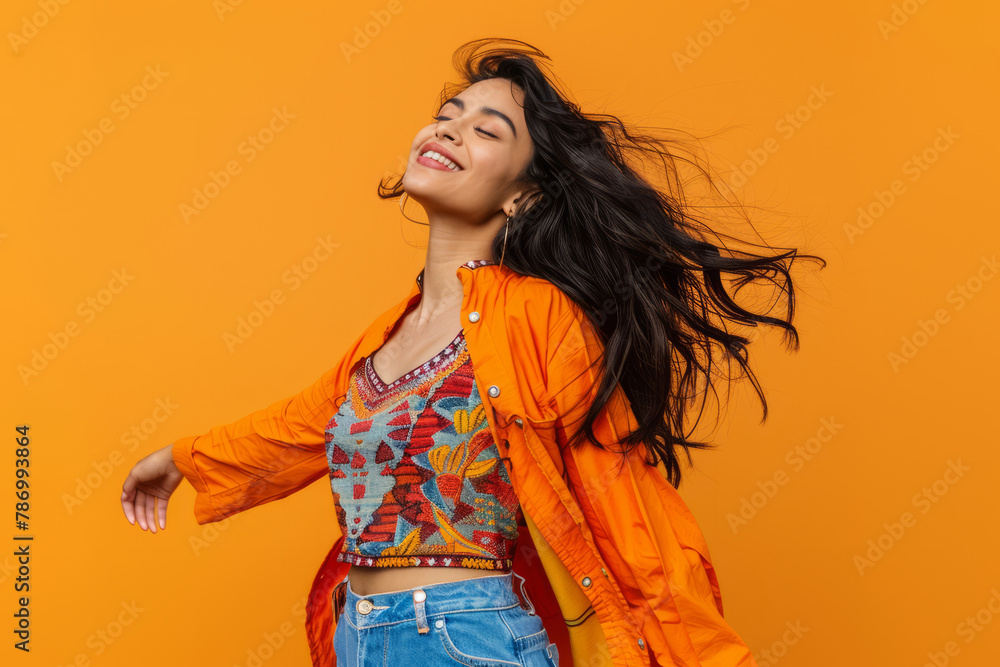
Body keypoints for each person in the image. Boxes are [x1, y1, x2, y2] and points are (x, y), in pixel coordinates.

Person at [120, 38, 824, 667]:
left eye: (486, 129)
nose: (450, 130)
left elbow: (623, 500)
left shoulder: (536, 314)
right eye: (448, 115)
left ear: (523, 195)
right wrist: (181, 459)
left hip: (467, 639)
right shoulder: (385, 335)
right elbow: (301, 424)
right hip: (359, 636)